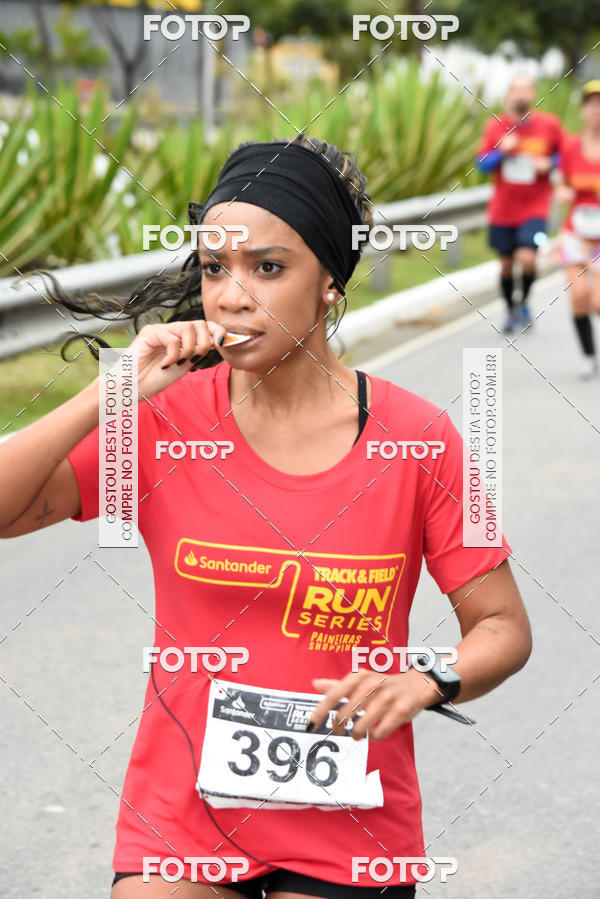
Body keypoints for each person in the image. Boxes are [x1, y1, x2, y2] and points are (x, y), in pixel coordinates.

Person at [0, 136, 532, 898]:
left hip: (351, 832)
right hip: (182, 819)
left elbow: (503, 626)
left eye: (268, 268)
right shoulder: (164, 422)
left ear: (329, 283)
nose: (231, 295)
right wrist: (112, 391)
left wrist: (425, 679)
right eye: (215, 268)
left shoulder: (422, 439)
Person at [477, 74, 563, 333]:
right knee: (505, 264)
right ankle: (511, 311)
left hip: (535, 208)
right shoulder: (496, 126)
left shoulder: (549, 125)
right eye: (516, 90)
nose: (521, 95)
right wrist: (501, 151)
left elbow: (566, 155)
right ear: (509, 94)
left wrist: (550, 163)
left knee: (527, 258)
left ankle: (523, 302)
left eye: (526, 89)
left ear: (533, 93)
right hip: (503, 210)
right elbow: (481, 165)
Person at [553, 80, 600, 379]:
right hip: (575, 235)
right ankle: (588, 357)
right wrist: (562, 193)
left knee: (598, 301)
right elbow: (560, 183)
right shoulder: (571, 147)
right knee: (579, 295)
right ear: (583, 110)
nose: (596, 111)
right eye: (591, 105)